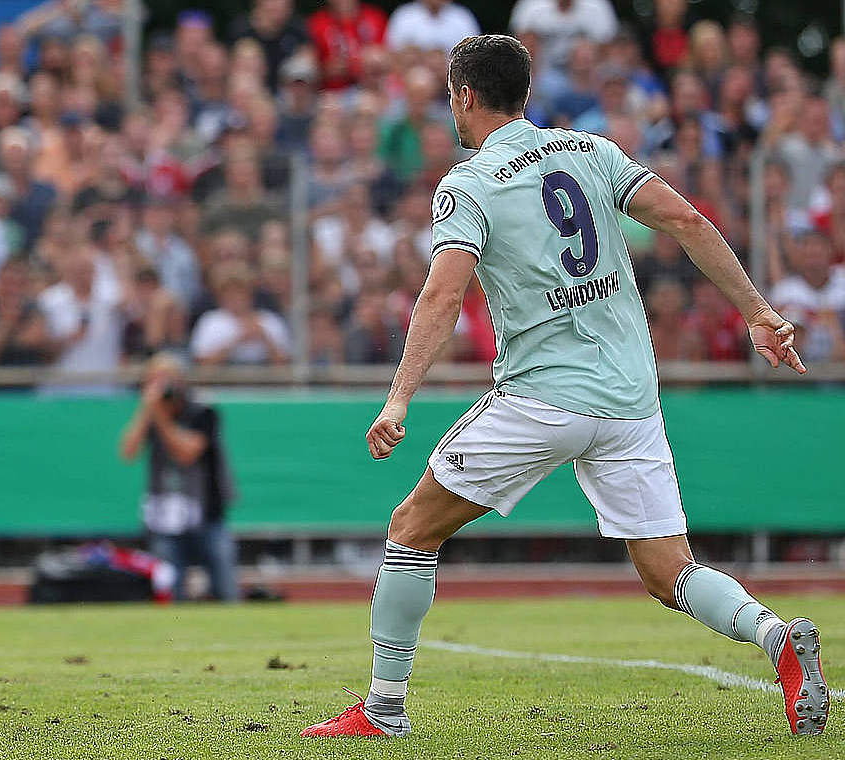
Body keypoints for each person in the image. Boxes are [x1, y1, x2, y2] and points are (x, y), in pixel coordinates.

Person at [301, 35, 825, 739]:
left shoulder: (470, 182)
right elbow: (689, 220)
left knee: (409, 528)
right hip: (631, 400)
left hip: (544, 397)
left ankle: (383, 709)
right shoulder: (592, 150)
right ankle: (773, 637)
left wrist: (398, 397)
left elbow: (441, 297)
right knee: (668, 567)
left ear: (464, 97)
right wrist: (758, 311)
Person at [118, 354, 237, 602]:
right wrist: (147, 409)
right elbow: (127, 452)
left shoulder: (202, 412)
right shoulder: (151, 413)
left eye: (166, 379)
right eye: (154, 380)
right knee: (171, 591)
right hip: (165, 518)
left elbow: (186, 453)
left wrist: (159, 416)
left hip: (207, 514)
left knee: (225, 589)